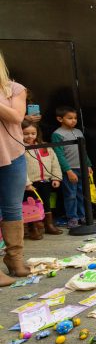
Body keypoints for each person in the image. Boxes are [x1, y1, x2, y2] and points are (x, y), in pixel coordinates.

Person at [0, 53, 30, 286]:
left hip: (13, 156)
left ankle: (15, 258)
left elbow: (17, 117)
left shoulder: (15, 89)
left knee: (12, 207)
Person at [51, 106, 92, 229]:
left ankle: (82, 216)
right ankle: (72, 218)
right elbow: (59, 154)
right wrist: (68, 171)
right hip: (70, 170)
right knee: (70, 195)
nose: (73, 120)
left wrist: (88, 164)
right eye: (70, 118)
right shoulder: (57, 134)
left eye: (75, 118)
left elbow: (83, 150)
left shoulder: (78, 132)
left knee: (81, 194)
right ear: (60, 119)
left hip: (82, 168)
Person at [22, 120, 62, 238]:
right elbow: (20, 168)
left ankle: (48, 224)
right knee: (31, 206)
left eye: (33, 133)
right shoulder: (19, 148)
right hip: (30, 184)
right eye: (26, 133)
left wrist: (56, 178)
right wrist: (27, 183)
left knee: (46, 202)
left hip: (44, 181)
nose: (30, 136)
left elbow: (54, 162)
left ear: (37, 133)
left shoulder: (45, 146)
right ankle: (33, 228)